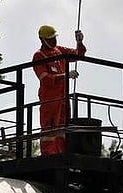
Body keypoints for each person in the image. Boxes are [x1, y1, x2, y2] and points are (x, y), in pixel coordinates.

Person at [33, 24, 86, 155]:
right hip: (50, 100)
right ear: (42, 40)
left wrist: (79, 42)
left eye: (54, 38)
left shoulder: (59, 51)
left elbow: (79, 54)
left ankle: (62, 152)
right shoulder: (39, 56)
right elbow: (45, 79)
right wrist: (65, 75)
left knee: (63, 127)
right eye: (50, 39)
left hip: (63, 98)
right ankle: (48, 154)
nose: (54, 41)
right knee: (50, 128)